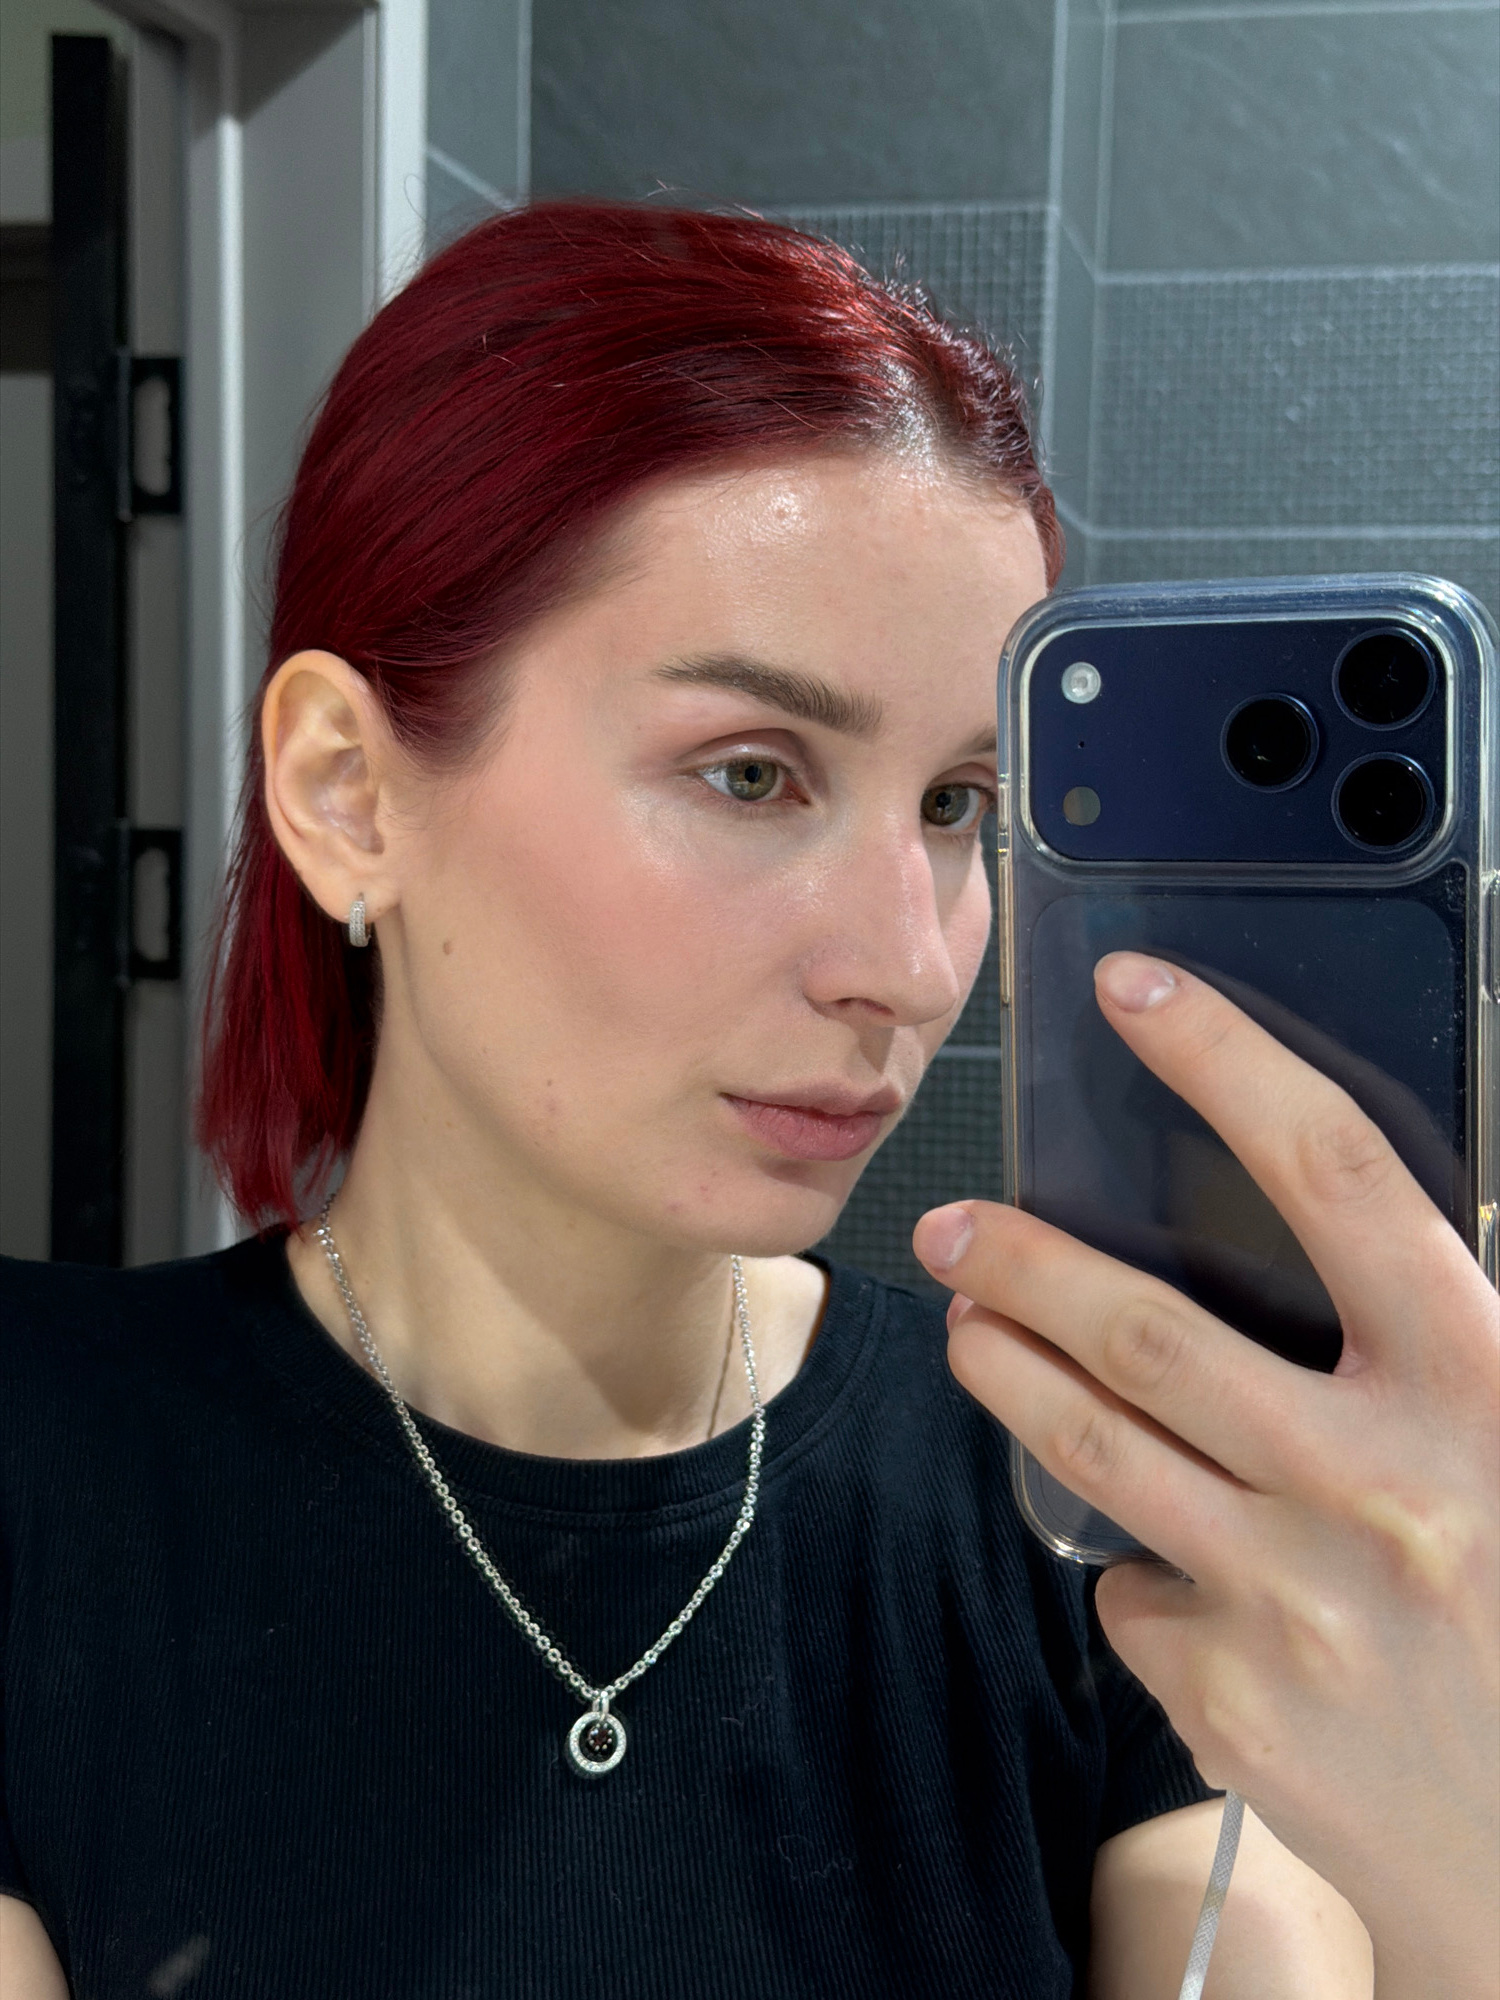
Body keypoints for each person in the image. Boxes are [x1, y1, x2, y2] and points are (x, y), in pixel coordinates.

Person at [1, 203, 1493, 2000]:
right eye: (751, 774)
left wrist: (1461, 1834)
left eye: (958, 805)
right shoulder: (36, 1464)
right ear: (348, 793)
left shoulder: (1079, 1496)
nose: (912, 966)